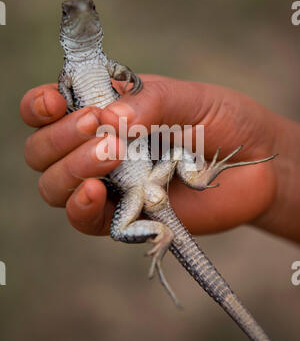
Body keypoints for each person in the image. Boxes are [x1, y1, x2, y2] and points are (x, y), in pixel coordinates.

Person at [20, 74, 300, 243]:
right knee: (119, 229)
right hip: (135, 191)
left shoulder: (98, 69)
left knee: (177, 152)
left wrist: (273, 163)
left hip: (151, 179)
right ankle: (162, 232)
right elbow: (66, 101)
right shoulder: (68, 75)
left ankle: (196, 178)